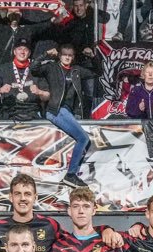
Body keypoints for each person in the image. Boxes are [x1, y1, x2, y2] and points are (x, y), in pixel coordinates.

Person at [35, 44, 94, 187]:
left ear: (73, 57)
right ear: (60, 55)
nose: (67, 57)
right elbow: (34, 69)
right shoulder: (52, 67)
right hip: (55, 110)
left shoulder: (76, 70)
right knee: (83, 138)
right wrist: (46, 54)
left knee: (84, 140)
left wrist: (93, 57)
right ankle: (71, 175)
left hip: (69, 112)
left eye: (70, 55)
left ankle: (72, 174)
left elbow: (96, 72)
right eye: (64, 54)